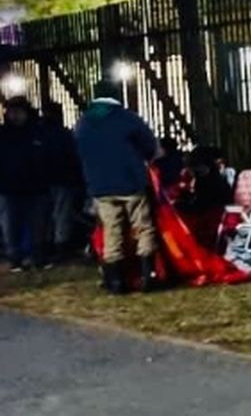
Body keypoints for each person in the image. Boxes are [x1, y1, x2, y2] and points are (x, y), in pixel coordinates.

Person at [75, 80, 161, 294]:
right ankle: (147, 276)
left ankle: (116, 282)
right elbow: (149, 146)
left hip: (100, 186)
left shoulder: (83, 122)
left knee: (111, 232)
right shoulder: (127, 118)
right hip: (130, 182)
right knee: (143, 228)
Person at [0, 97, 51, 271]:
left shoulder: (37, 132)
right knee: (11, 225)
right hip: (10, 188)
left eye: (18, 112)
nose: (14, 116)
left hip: (34, 187)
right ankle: (16, 257)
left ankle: (36, 256)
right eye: (11, 112)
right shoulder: (4, 134)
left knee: (36, 225)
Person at [39, 101, 86, 257]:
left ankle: (47, 244)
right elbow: (73, 156)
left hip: (43, 180)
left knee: (46, 214)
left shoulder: (39, 133)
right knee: (61, 213)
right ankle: (61, 245)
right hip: (63, 179)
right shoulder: (64, 134)